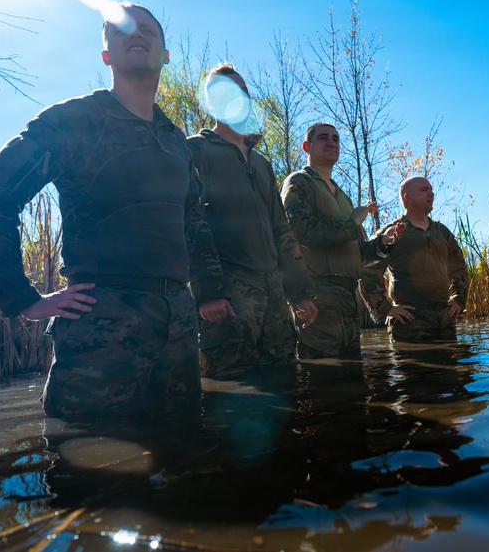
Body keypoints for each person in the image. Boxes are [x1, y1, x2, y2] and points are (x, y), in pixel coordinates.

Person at [0, 2, 229, 420]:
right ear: (106, 56)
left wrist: (208, 294)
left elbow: (192, 224)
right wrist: (23, 299)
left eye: (146, 29)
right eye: (121, 30)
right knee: (87, 469)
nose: (135, 34)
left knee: (184, 456)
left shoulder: (176, 140)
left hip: (177, 324)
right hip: (102, 326)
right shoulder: (73, 121)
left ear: (165, 55)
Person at [187, 63, 317, 378]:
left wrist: (300, 291)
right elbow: (187, 221)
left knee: (284, 380)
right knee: (232, 388)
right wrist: (208, 292)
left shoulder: (261, 163)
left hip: (273, 290)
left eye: (243, 91)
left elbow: (281, 230)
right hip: (229, 293)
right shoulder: (195, 150)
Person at [281, 123, 403, 359]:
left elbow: (359, 254)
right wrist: (353, 223)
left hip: (349, 298)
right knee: (324, 381)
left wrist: (382, 245)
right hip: (319, 297)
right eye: (324, 138)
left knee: (352, 378)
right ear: (307, 146)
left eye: (336, 139)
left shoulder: (342, 196)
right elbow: (301, 232)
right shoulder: (299, 183)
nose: (331, 143)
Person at [359, 176, 470, 342]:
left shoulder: (442, 232)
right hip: (408, 322)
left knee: (449, 366)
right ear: (407, 197)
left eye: (431, 189)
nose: (431, 194)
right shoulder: (392, 233)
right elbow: (367, 271)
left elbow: (459, 268)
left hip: (444, 319)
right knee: (412, 368)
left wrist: (458, 298)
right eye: (424, 190)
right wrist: (385, 308)